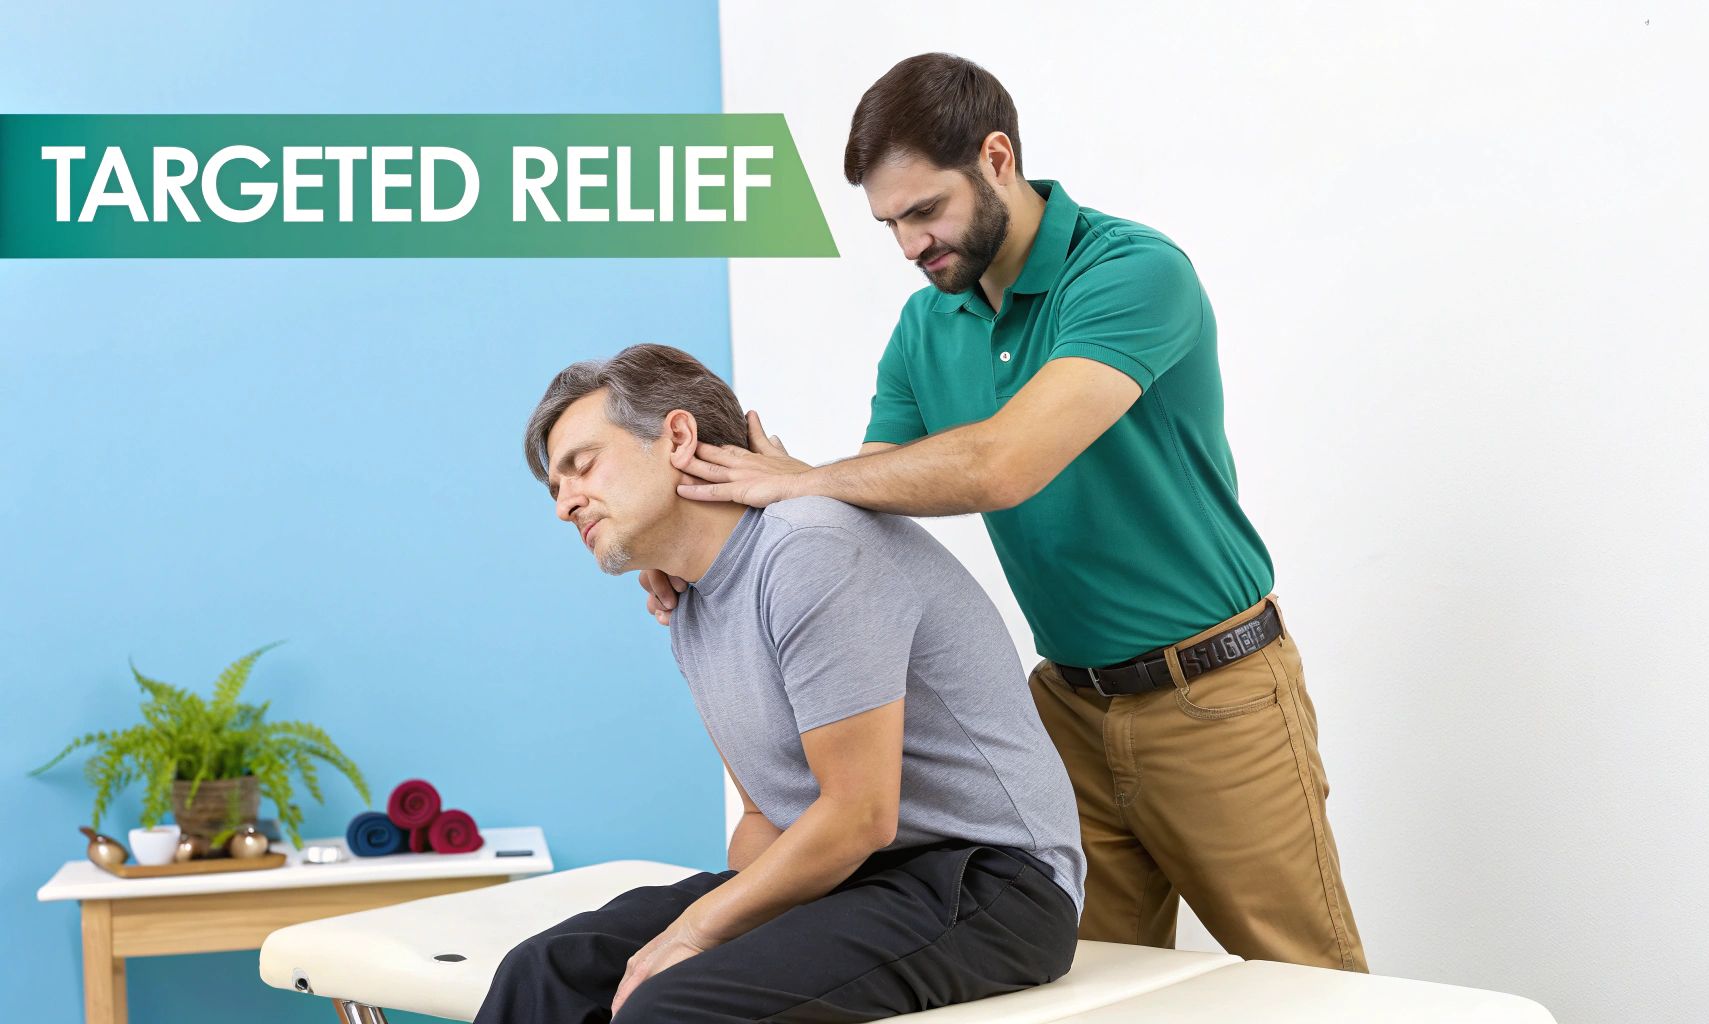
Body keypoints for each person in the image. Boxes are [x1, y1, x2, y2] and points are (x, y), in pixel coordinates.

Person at [644, 53, 1369, 971]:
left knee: (1311, 986)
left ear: (997, 158)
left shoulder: (1131, 273)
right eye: (890, 224)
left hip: (1214, 696)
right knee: (1075, 987)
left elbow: (1004, 463)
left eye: (925, 210)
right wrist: (703, 549)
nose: (911, 245)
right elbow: (863, 506)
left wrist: (802, 480)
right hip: (1061, 712)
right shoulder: (926, 326)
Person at [475, 344, 1084, 1024]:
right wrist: (736, 933)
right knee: (548, 971)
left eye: (582, 466)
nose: (565, 506)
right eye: (555, 488)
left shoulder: (810, 548)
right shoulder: (690, 605)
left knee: (669, 1004)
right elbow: (765, 816)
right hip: (851, 879)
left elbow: (859, 813)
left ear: (677, 437)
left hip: (993, 884)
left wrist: (697, 933)